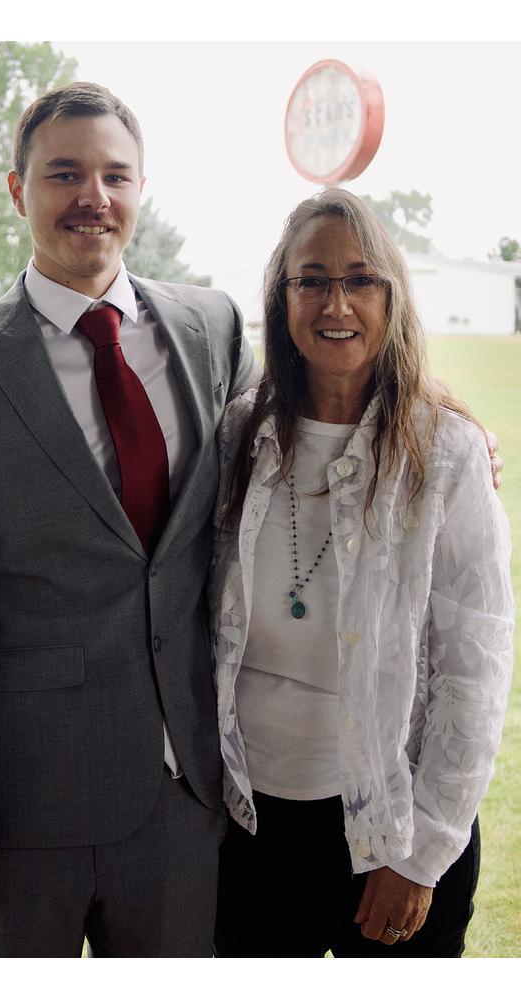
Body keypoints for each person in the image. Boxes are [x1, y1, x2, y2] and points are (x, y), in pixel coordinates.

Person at [0, 81, 256, 958]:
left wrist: (446, 422)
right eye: (65, 174)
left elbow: (298, 430)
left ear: (141, 188)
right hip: (19, 811)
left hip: (185, 799)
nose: (94, 196)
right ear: (19, 191)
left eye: (115, 176)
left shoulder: (213, 327)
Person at [210, 187, 514, 957]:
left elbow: (474, 668)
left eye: (360, 280)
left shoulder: (444, 452)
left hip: (390, 827)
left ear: (391, 296)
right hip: (251, 824)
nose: (335, 303)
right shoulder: (240, 434)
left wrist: (420, 855)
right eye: (312, 280)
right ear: (283, 298)